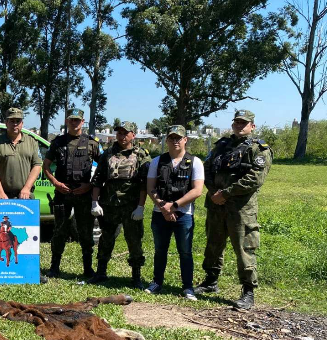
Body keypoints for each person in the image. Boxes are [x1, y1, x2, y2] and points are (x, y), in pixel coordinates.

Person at [197, 110, 272, 310]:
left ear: (252, 126)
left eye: (243, 123)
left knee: (244, 248)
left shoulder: (259, 149)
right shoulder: (221, 145)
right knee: (213, 244)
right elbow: (206, 168)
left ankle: (248, 291)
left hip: (241, 209)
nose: (239, 125)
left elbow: (255, 179)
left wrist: (226, 193)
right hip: (216, 204)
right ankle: (211, 281)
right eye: (236, 122)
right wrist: (213, 192)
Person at [144, 125, 204, 300]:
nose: (175, 141)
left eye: (179, 138)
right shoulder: (157, 161)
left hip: (184, 215)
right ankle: (157, 282)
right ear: (167, 140)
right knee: (160, 250)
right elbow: (150, 188)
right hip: (160, 213)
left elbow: (197, 190)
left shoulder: (195, 162)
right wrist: (164, 207)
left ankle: (188, 287)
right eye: (171, 138)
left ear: (185, 140)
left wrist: (175, 206)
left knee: (185, 252)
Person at [90, 122, 151, 289]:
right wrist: (95, 202)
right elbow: (98, 179)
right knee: (106, 239)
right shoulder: (108, 154)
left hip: (131, 206)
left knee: (134, 240)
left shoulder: (141, 155)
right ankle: (101, 272)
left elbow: (144, 184)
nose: (122, 136)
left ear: (133, 135)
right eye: (119, 133)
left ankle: (136, 276)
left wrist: (141, 206)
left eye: (126, 133)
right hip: (109, 205)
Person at [42, 108, 102, 280]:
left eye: (77, 120)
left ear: (82, 122)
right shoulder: (58, 142)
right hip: (63, 193)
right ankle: (54, 267)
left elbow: (103, 168)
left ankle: (88, 268)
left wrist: (89, 185)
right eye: (71, 120)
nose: (74, 123)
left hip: (83, 194)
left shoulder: (92, 143)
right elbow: (46, 166)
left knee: (85, 231)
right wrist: (56, 183)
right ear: (67, 121)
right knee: (59, 231)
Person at [0, 107, 42, 199]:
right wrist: (0, 192)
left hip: (25, 196)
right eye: (12, 121)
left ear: (22, 123)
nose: (15, 124)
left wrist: (26, 188)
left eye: (18, 121)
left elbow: (37, 165)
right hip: (3, 196)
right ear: (6, 123)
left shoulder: (32, 142)